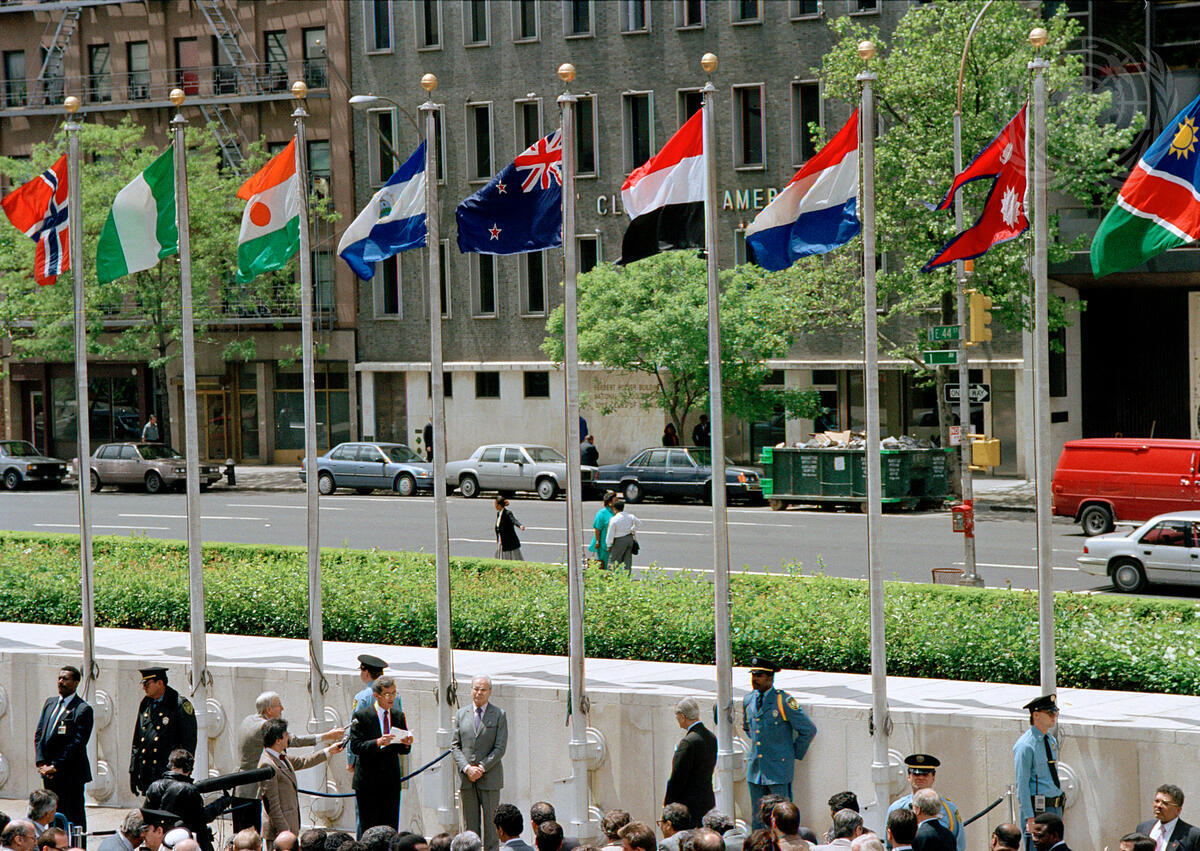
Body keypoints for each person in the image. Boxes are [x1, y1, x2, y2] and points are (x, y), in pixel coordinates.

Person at [236, 693, 343, 832]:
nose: (282, 708)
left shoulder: (249, 720)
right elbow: (294, 740)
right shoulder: (264, 730)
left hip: (242, 789)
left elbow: (300, 761)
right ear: (269, 710)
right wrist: (326, 736)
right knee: (247, 837)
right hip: (251, 792)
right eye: (279, 705)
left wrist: (328, 751)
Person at [742, 658, 817, 829]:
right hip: (756, 770)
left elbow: (808, 729)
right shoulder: (748, 700)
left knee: (782, 819)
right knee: (758, 820)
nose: (754, 679)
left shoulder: (783, 701)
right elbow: (748, 728)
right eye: (753, 675)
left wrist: (791, 753)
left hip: (778, 771)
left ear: (770, 678)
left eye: (759, 675)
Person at [257, 718, 344, 843]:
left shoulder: (280, 756)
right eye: (286, 735)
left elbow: (303, 761)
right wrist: (285, 832)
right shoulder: (268, 764)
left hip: (290, 827)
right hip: (280, 834)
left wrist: (328, 751)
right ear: (278, 740)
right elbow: (272, 805)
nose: (289, 737)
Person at [348, 676, 413, 834]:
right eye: (387, 694)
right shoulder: (362, 716)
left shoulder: (398, 716)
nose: (391, 698)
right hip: (368, 782)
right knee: (369, 828)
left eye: (394, 693)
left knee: (390, 827)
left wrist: (406, 743)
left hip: (390, 781)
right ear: (376, 696)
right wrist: (377, 742)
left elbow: (402, 751)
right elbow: (356, 746)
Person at [34, 665, 92, 834]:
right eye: (59, 678)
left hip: (70, 775)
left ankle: (75, 845)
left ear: (76, 682)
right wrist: (41, 763)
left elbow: (77, 743)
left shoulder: (82, 709)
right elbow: (40, 734)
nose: (60, 682)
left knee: (72, 817)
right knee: (52, 816)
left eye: (65, 679)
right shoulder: (50, 703)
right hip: (49, 774)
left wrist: (56, 766)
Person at [452, 676, 508, 851]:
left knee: (492, 826)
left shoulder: (499, 715)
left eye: (483, 689)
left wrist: (482, 767)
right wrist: (467, 768)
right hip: (467, 779)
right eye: (476, 689)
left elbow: (500, 748)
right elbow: (455, 746)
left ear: (489, 692)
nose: (479, 693)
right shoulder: (461, 714)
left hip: (490, 777)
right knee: (470, 827)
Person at [144, 749, 230, 851]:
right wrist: (222, 803)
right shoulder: (189, 790)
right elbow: (202, 818)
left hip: (157, 841)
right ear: (189, 768)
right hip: (183, 843)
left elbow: (146, 817)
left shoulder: (154, 786)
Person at [131, 667, 197, 796]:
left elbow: (189, 743)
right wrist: (133, 771)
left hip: (169, 775)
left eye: (147, 683)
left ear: (160, 683)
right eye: (143, 684)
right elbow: (137, 741)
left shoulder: (179, 705)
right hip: (148, 774)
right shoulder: (146, 703)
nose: (144, 687)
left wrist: (183, 773)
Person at [886, 755, 962, 851]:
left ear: (933, 777)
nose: (921, 778)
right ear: (909, 776)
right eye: (916, 774)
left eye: (925, 774)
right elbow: (889, 844)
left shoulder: (949, 809)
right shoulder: (896, 808)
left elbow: (959, 845)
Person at [1013, 695, 1063, 840]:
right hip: (1038, 810)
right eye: (1050, 713)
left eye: (1055, 712)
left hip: (1055, 807)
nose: (1054, 717)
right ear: (1036, 715)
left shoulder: (1051, 740)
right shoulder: (1025, 745)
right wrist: (1029, 817)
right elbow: (1022, 784)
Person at [347, 655, 387, 834]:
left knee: (364, 816)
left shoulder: (362, 697)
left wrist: (350, 760)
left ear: (366, 672)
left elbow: (353, 730)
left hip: (366, 759)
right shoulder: (395, 696)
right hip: (387, 761)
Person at [663, 698, 716, 829]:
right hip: (707, 801)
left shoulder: (688, 742)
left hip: (688, 806)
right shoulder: (711, 737)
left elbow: (678, 777)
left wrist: (668, 804)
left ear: (682, 717)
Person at [1135, 785, 1200, 851]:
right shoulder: (1143, 828)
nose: (1158, 806)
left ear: (1178, 810)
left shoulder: (1192, 835)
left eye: (1165, 803)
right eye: (1157, 801)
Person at [605, 498, 641, 573]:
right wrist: (632, 529)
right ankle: (627, 576)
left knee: (613, 560)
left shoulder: (614, 519)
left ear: (615, 509)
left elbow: (610, 533)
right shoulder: (630, 516)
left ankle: (612, 576)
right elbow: (639, 523)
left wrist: (609, 545)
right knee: (627, 560)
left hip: (619, 540)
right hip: (629, 538)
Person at [589, 492, 616, 569]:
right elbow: (597, 528)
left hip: (614, 542)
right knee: (604, 562)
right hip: (603, 542)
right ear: (610, 502)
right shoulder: (602, 513)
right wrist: (597, 541)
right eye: (615, 500)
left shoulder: (616, 512)